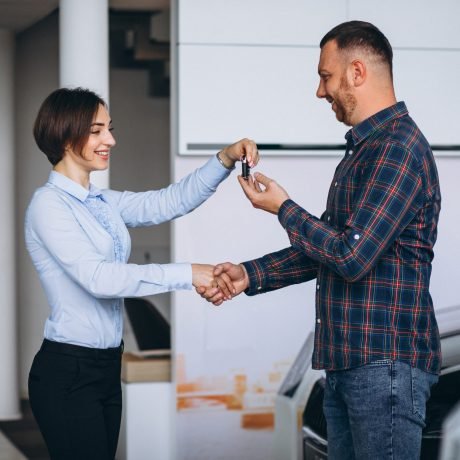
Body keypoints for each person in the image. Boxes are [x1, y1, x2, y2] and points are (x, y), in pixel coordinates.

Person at [198, 21, 441, 460]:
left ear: (358, 72)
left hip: (383, 369)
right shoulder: (364, 153)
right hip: (351, 368)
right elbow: (325, 251)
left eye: (325, 76)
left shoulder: (400, 148)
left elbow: (350, 255)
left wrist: (283, 208)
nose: (319, 91)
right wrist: (247, 275)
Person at [25, 87, 257, 460]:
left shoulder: (102, 202)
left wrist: (225, 159)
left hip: (105, 367)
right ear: (67, 134)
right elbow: (101, 280)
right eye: (98, 130)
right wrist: (188, 273)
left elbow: (171, 200)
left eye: (109, 129)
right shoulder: (48, 206)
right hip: (68, 371)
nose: (110, 140)